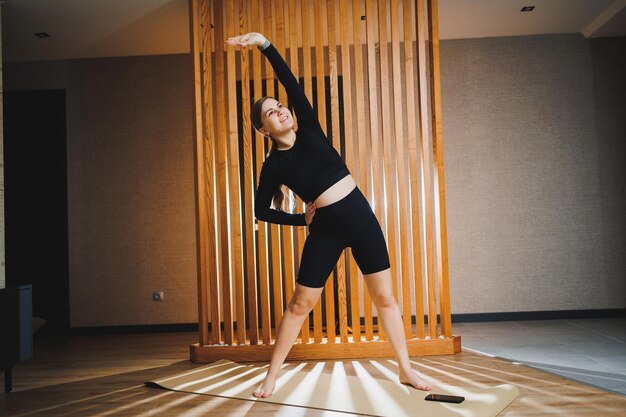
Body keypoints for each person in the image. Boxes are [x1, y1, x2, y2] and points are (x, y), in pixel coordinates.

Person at [225, 32, 433, 398]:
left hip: (360, 216)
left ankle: (406, 369)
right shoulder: (274, 165)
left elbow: (289, 80)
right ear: (263, 130)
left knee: (385, 298)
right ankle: (271, 376)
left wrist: (264, 44)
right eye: (270, 112)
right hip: (326, 231)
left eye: (279, 105)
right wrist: (300, 221)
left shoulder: (309, 129)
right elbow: (260, 210)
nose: (280, 110)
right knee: (300, 304)